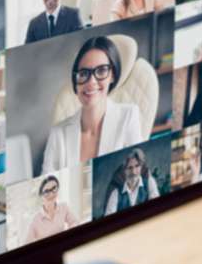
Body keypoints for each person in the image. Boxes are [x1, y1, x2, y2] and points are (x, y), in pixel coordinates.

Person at [42, 37, 144, 172]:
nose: (91, 82)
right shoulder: (58, 134)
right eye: (84, 73)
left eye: (101, 71)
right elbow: (45, 189)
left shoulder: (128, 116)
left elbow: (137, 173)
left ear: (112, 75)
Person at [22, 175, 79, 243]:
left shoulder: (64, 207)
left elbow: (75, 222)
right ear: (41, 196)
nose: (51, 194)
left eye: (54, 188)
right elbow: (27, 243)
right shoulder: (35, 219)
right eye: (46, 192)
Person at [105, 148, 160, 213]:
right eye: (130, 168)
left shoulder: (149, 182)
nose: (133, 172)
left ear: (141, 167)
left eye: (137, 166)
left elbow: (156, 208)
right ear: (125, 170)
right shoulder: (115, 193)